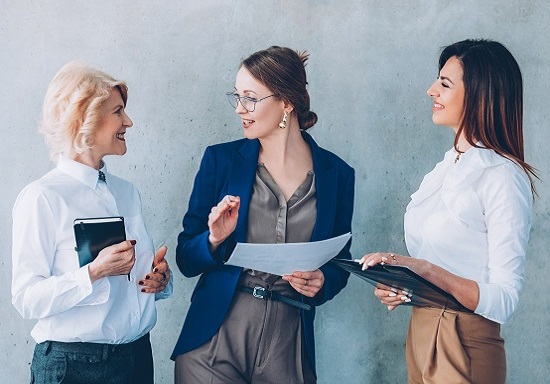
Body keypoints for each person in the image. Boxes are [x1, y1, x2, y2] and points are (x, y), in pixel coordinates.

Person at [171, 46, 354, 383]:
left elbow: (341, 259)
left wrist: (324, 280)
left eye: (251, 98)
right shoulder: (220, 161)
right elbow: (185, 258)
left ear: (287, 102)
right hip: (214, 339)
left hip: (289, 342)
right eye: (237, 97)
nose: (240, 109)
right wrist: (213, 239)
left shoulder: (338, 174)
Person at [359, 39, 536, 384]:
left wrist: (423, 269)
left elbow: (505, 299)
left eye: (444, 82)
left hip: (464, 341)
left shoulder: (502, 176)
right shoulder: (447, 166)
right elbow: (445, 264)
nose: (430, 90)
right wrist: (405, 283)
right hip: (422, 333)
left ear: (480, 95)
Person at [11, 61, 173, 384]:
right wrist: (94, 272)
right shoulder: (42, 197)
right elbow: (26, 298)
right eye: (118, 111)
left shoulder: (128, 193)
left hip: (138, 361)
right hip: (74, 369)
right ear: (84, 117)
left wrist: (160, 282)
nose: (129, 121)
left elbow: (131, 287)